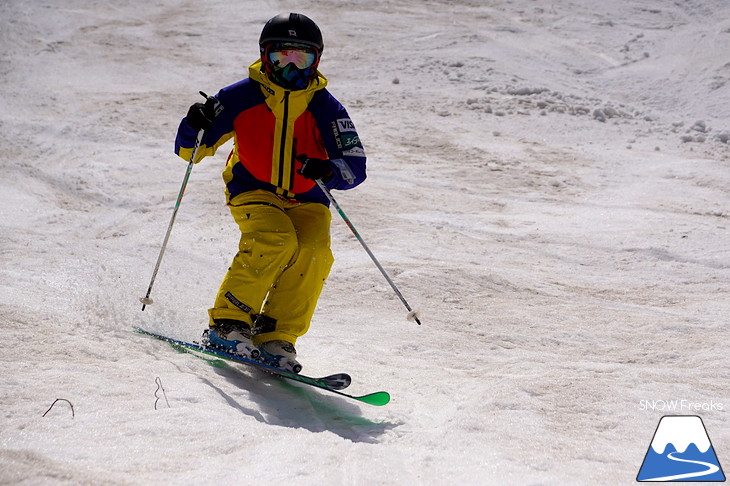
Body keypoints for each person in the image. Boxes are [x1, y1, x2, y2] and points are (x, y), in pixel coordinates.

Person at [174, 13, 366, 373]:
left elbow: (355, 166)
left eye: (302, 59)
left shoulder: (326, 107)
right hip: (253, 188)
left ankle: (275, 336)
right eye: (282, 57)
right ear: (265, 56)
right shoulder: (240, 97)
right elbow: (192, 152)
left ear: (317, 60)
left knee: (314, 252)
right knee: (274, 240)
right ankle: (228, 325)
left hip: (308, 197)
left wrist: (327, 170)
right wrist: (193, 125)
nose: (291, 68)